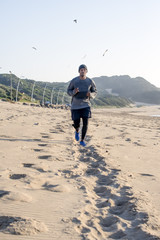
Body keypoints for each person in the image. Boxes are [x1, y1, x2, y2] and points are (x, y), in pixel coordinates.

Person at [67, 64, 97, 147]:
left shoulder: (90, 81)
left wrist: (90, 94)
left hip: (86, 105)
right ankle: (77, 130)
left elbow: (95, 91)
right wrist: (74, 92)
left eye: (84, 69)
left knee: (85, 123)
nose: (82, 71)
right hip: (75, 105)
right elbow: (68, 90)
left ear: (86, 71)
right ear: (79, 71)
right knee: (76, 123)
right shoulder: (74, 81)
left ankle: (82, 140)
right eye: (81, 70)